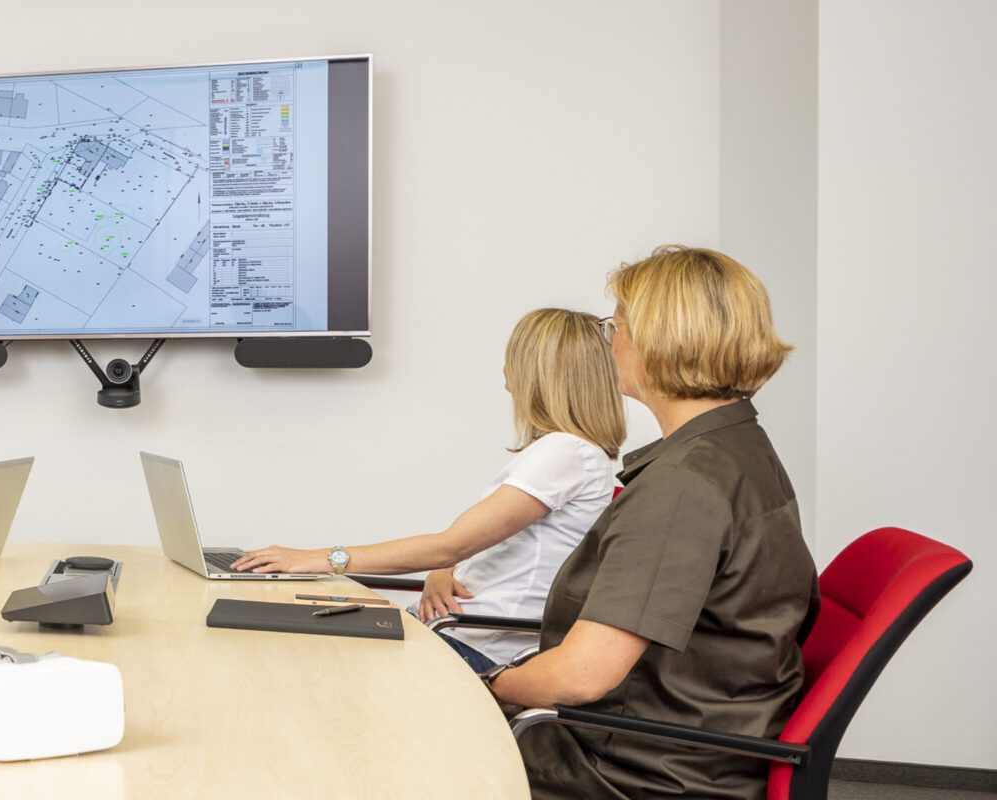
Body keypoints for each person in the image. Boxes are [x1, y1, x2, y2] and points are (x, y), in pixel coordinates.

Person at [488, 245, 814, 798]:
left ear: (656, 341)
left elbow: (582, 676)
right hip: (690, 744)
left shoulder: (683, 485)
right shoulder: (738, 444)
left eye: (613, 326)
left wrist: (489, 686)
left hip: (632, 770)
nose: (609, 342)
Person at [227, 308, 626, 671]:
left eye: (513, 352)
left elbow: (450, 543)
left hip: (477, 646)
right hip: (452, 629)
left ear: (536, 369)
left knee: (290, 656)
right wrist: (445, 568)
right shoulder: (568, 453)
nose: (504, 364)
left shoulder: (566, 452)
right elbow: (476, 544)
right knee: (284, 632)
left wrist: (321, 559)